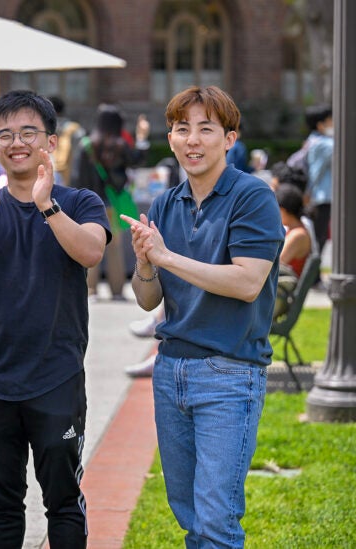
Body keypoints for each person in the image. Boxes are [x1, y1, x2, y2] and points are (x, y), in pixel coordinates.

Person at [121, 85, 284, 547]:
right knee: (191, 516)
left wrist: (167, 257)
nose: (192, 140)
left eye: (205, 129)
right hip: (171, 369)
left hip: (230, 372)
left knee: (216, 521)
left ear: (230, 138)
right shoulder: (165, 204)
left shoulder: (252, 197)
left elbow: (247, 282)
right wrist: (147, 263)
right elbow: (147, 300)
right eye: (181, 129)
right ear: (170, 138)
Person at [0, 90, 110, 548]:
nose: (16, 142)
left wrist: (46, 204)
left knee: (62, 502)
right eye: (5, 135)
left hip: (56, 376)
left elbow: (91, 251)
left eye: (27, 133)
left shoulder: (79, 202)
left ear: (51, 143)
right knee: (1, 507)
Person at [74, 104, 149, 301]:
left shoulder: (86, 145)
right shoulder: (120, 145)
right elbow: (137, 161)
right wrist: (141, 137)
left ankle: (91, 290)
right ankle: (117, 292)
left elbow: (78, 177)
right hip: (112, 204)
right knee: (115, 248)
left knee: (91, 246)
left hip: (90, 203)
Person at [273, 183, 312, 318]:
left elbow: (275, 263)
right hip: (278, 293)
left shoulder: (298, 235)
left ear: (283, 210)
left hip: (279, 298)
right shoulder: (296, 231)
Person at [304, 105, 334, 260]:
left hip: (320, 195)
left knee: (319, 237)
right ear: (320, 124)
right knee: (319, 238)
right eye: (330, 121)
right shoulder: (323, 143)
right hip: (322, 196)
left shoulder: (314, 141)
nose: (333, 124)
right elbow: (316, 172)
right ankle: (314, 276)